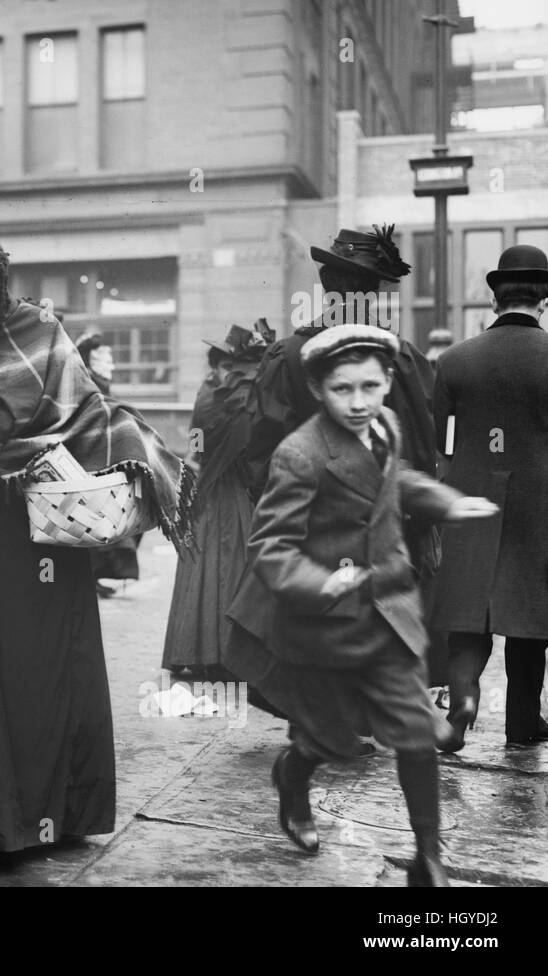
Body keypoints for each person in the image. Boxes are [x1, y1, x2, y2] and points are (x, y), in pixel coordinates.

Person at [0, 228, 194, 861]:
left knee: (27, 671)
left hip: (28, 539)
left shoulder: (40, 333)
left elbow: (87, 416)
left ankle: (35, 817)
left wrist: (98, 449)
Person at [225, 325, 497, 887]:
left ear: (389, 382)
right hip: (324, 627)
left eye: (370, 387)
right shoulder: (300, 454)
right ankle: (293, 774)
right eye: (342, 389)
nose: (357, 402)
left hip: (389, 613)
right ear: (320, 390)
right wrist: (320, 582)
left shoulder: (387, 426)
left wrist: (447, 501)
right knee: (333, 740)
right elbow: (271, 546)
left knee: (415, 734)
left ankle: (429, 861)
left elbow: (395, 485)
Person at [244, 224, 446, 687]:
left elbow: (260, 443)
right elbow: (422, 440)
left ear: (325, 288)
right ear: (373, 294)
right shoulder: (402, 358)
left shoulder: (287, 353)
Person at [429, 244, 548, 750]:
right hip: (540, 502)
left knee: (469, 609)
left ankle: (462, 707)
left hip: (471, 497)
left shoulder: (454, 360)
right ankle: (522, 722)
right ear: (543, 298)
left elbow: (440, 440)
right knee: (531, 611)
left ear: (494, 297)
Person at [162, 320, 273, 677]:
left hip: (212, 488)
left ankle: (203, 651)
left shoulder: (210, 391)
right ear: (219, 366)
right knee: (228, 564)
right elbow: (207, 439)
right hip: (226, 489)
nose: (231, 372)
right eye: (226, 366)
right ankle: (221, 654)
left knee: (209, 566)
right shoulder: (225, 395)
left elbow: (196, 440)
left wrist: (197, 461)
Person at [76, 332, 139, 592]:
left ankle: (94, 576)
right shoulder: (89, 384)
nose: (110, 365)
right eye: (103, 359)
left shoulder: (99, 384)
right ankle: (90, 577)